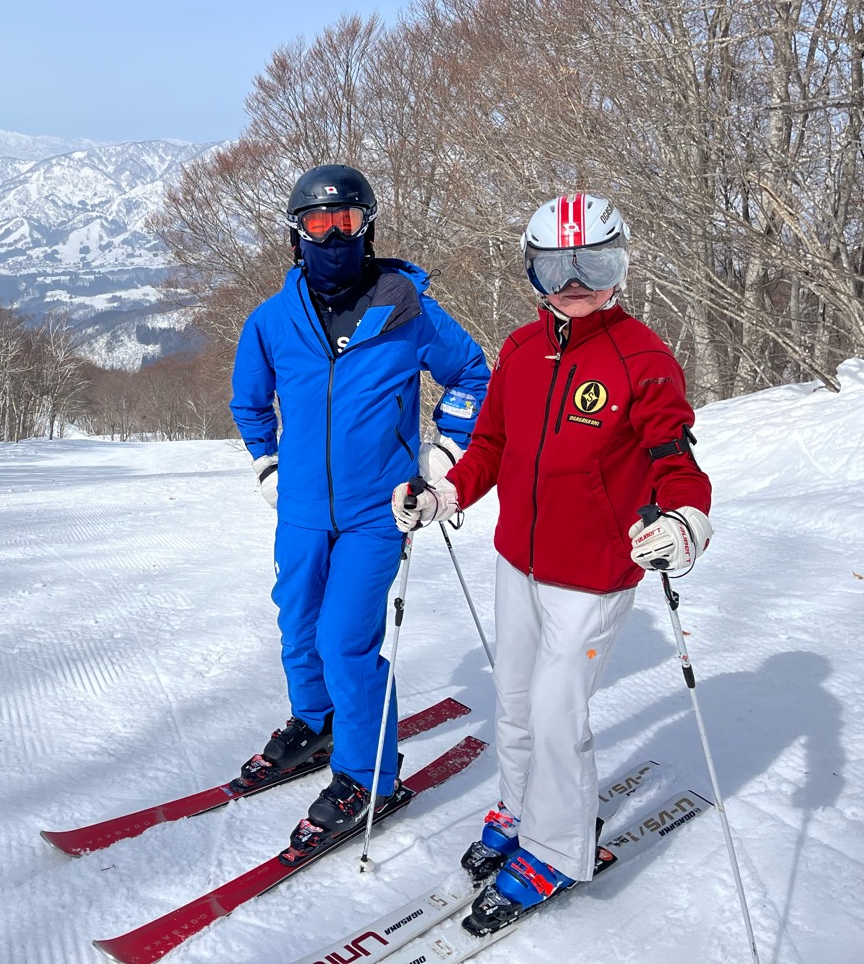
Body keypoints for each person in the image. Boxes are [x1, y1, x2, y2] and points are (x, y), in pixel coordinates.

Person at [392, 192, 713, 934]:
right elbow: (495, 448)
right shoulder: (519, 350)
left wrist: (685, 520)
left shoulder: (642, 356)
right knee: (513, 702)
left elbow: (675, 457)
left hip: (595, 572)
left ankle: (556, 848)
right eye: (555, 268)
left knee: (557, 711)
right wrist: (446, 495)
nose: (575, 283)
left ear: (620, 266)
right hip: (519, 561)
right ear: (532, 272)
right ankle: (518, 803)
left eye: (593, 264)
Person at [230, 163, 491, 859]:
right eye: (319, 223)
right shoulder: (272, 319)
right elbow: (249, 402)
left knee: (347, 638)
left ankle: (366, 777)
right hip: (303, 509)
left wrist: (444, 454)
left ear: (368, 226)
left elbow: (472, 375)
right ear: (297, 234)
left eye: (346, 221)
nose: (334, 234)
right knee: (299, 623)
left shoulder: (406, 307)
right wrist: (267, 462)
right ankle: (316, 722)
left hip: (380, 509)